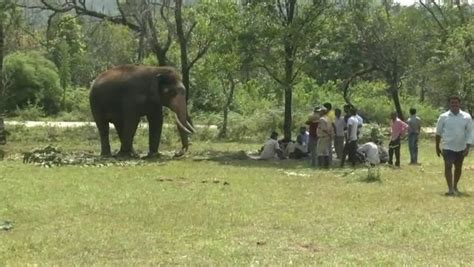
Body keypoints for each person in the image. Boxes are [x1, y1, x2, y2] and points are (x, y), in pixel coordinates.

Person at [435, 96, 473, 196]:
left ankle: (455, 185)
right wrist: (437, 147)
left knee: (458, 167)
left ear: (459, 104)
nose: (454, 105)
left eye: (456, 103)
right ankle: (450, 189)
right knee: (448, 166)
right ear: (449, 104)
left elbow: (470, 133)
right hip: (448, 147)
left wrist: (468, 147)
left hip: (461, 147)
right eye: (452, 103)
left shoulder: (466, 117)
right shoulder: (443, 117)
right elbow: (438, 133)